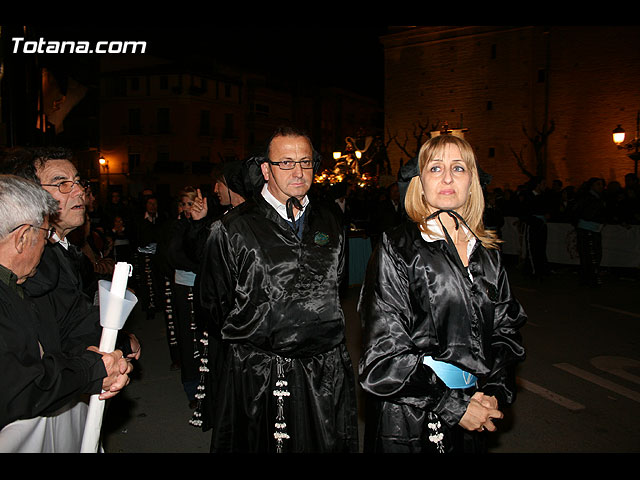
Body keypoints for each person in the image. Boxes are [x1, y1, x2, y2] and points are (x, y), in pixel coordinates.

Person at [358, 134, 526, 453]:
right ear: (420, 183)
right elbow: (382, 356)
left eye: (459, 168)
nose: (448, 177)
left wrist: (493, 391)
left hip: (474, 404)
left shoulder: (487, 253)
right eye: (435, 168)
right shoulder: (398, 249)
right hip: (411, 413)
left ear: (472, 182)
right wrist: (454, 405)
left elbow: (507, 332)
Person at [199, 126, 359, 453]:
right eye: (286, 162)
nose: (298, 172)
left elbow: (337, 286)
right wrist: (258, 337)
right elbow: (212, 306)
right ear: (266, 170)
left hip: (324, 371)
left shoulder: (330, 220)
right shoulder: (232, 228)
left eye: (305, 162)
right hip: (259, 374)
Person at [0, 174, 132, 452]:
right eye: (44, 233)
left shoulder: (18, 286)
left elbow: (60, 333)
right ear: (23, 238)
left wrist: (103, 360)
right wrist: (94, 368)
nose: (47, 243)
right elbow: (22, 385)